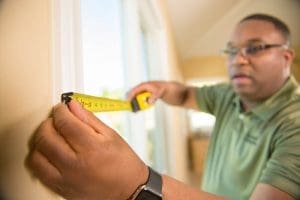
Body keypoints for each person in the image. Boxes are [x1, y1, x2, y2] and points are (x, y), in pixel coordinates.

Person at [25, 13, 300, 200]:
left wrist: (138, 184)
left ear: (286, 57)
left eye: (254, 48)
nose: (238, 60)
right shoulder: (228, 94)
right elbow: (183, 95)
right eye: (231, 50)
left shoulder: (296, 123)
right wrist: (162, 88)